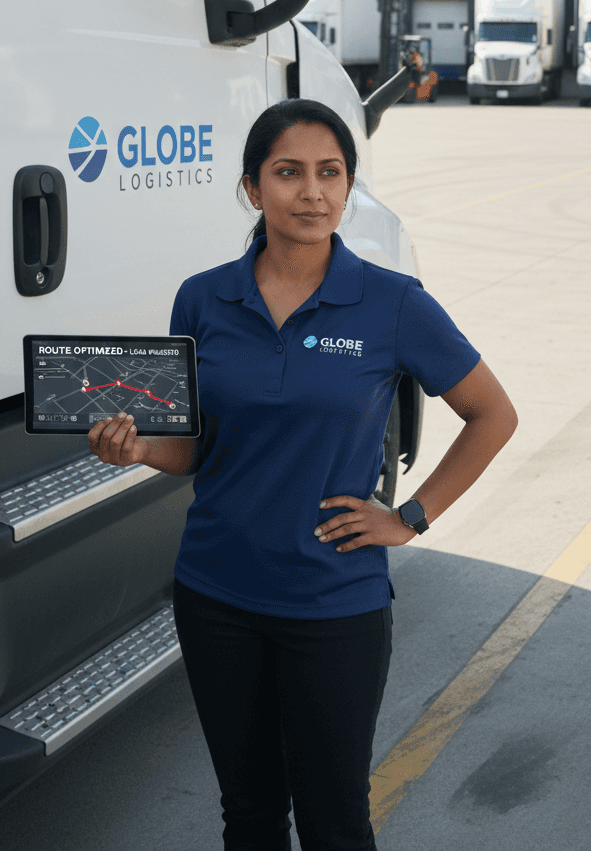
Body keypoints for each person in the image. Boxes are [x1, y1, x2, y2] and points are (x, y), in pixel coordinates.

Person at [88, 97, 518, 851]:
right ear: (253, 189)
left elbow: (493, 414)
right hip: (216, 595)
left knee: (335, 820)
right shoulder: (203, 298)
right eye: (289, 173)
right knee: (249, 813)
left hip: (333, 606)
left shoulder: (392, 304)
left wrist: (411, 516)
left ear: (350, 187)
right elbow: (195, 448)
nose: (312, 193)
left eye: (330, 173)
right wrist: (137, 449)